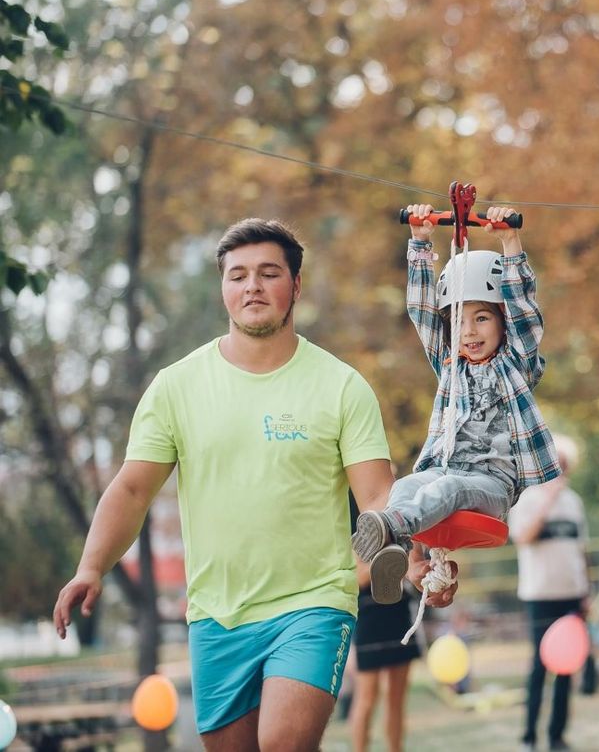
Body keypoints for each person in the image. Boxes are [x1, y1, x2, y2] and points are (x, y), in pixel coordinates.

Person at [51, 219, 458, 749]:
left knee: (283, 743)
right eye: (238, 275)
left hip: (314, 604)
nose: (253, 287)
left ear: (296, 286)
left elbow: (378, 498)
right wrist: (91, 565)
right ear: (223, 288)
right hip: (217, 615)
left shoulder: (341, 386)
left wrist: (414, 560)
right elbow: (131, 490)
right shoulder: (177, 387)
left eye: (269, 273)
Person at [353, 205, 560, 603]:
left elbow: (525, 314)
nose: (469, 332)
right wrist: (419, 240)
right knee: (410, 484)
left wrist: (509, 241)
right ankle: (407, 560)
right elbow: (421, 312)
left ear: (502, 321)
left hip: (490, 486)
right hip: (446, 473)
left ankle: (390, 527)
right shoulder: (450, 365)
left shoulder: (516, 362)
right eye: (460, 321)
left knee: (448, 487)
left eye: (482, 318)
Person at [508, 435, 589, 752]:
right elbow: (523, 538)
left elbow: (580, 551)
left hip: (571, 594)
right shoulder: (527, 499)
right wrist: (547, 501)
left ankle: (557, 735)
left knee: (567, 667)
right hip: (540, 595)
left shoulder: (575, 502)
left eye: (565, 465)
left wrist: (585, 594)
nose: (561, 470)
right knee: (539, 667)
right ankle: (529, 735)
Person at [349, 558, 419, 752]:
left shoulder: (404, 529)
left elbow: (412, 570)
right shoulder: (355, 532)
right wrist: (387, 561)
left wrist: (408, 566)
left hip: (398, 615)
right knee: (367, 698)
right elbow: (356, 579)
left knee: (397, 699)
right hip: (369, 619)